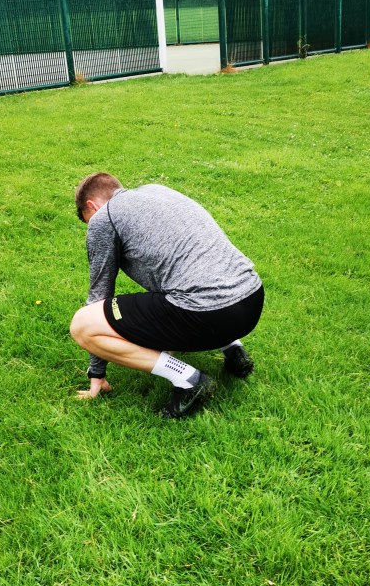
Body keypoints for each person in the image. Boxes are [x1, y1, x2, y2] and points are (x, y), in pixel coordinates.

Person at [70, 173, 264, 419]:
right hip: (251, 298)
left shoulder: (103, 218)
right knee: (180, 279)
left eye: (88, 220)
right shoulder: (157, 191)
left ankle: (188, 379)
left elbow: (99, 296)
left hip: (209, 315)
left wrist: (96, 373)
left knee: (83, 325)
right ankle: (233, 348)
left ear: (92, 206)